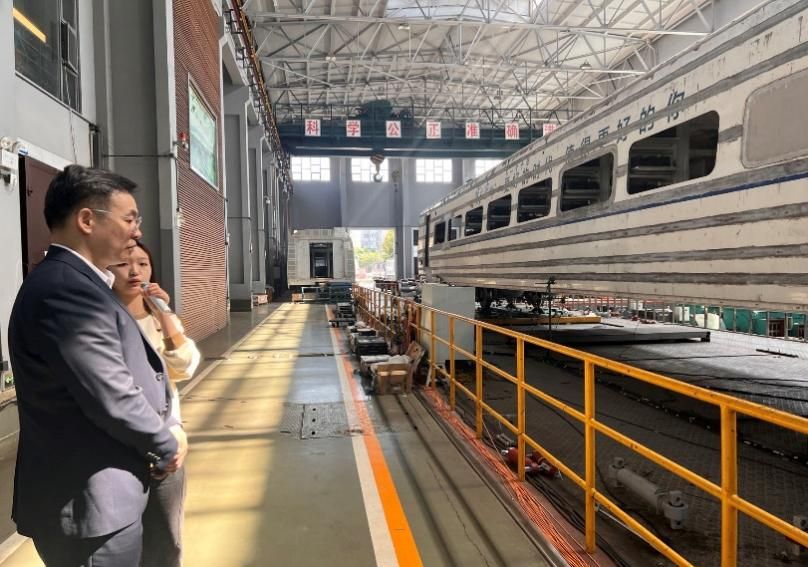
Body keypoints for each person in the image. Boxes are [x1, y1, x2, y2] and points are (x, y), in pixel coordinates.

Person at [8, 165, 188, 566]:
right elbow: (112, 394)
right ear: (87, 220)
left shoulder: (82, 284)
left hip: (105, 493)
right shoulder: (65, 290)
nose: (137, 232)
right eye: (129, 219)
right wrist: (165, 444)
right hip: (89, 504)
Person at [109, 241, 200, 567]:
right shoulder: (102, 320)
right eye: (123, 264)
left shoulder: (159, 318)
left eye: (143, 264)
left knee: (166, 543)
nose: (135, 271)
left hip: (165, 446)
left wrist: (164, 313)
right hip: (120, 448)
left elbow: (184, 366)